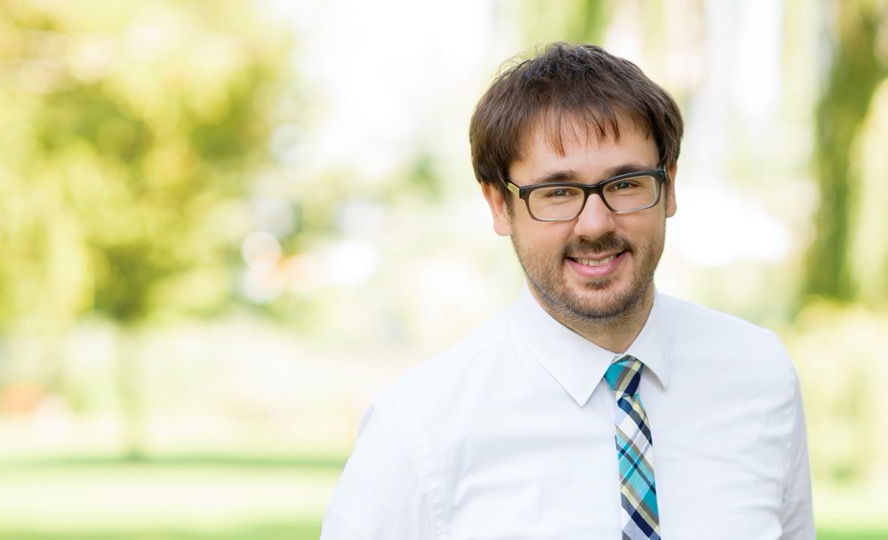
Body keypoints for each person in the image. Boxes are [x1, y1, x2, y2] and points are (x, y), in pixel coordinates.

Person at [321, 42, 814, 539]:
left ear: (669, 187)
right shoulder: (417, 430)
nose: (595, 223)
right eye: (557, 191)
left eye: (625, 184)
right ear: (498, 205)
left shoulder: (760, 376)